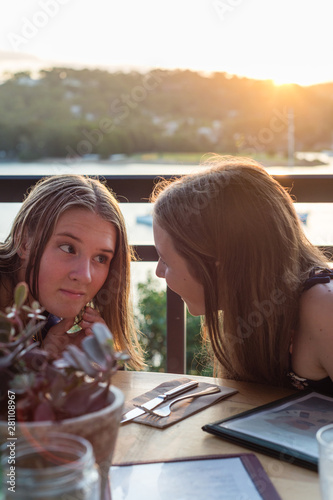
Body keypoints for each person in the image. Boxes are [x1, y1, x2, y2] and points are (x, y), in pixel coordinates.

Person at [151, 155, 333, 393]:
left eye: (165, 259)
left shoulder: (324, 307)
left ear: (217, 262)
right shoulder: (250, 308)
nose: (158, 271)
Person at [0, 174, 144, 369]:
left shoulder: (45, 318)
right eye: (68, 248)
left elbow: (12, 397)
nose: (85, 275)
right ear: (24, 242)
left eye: (100, 258)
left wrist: (46, 361)